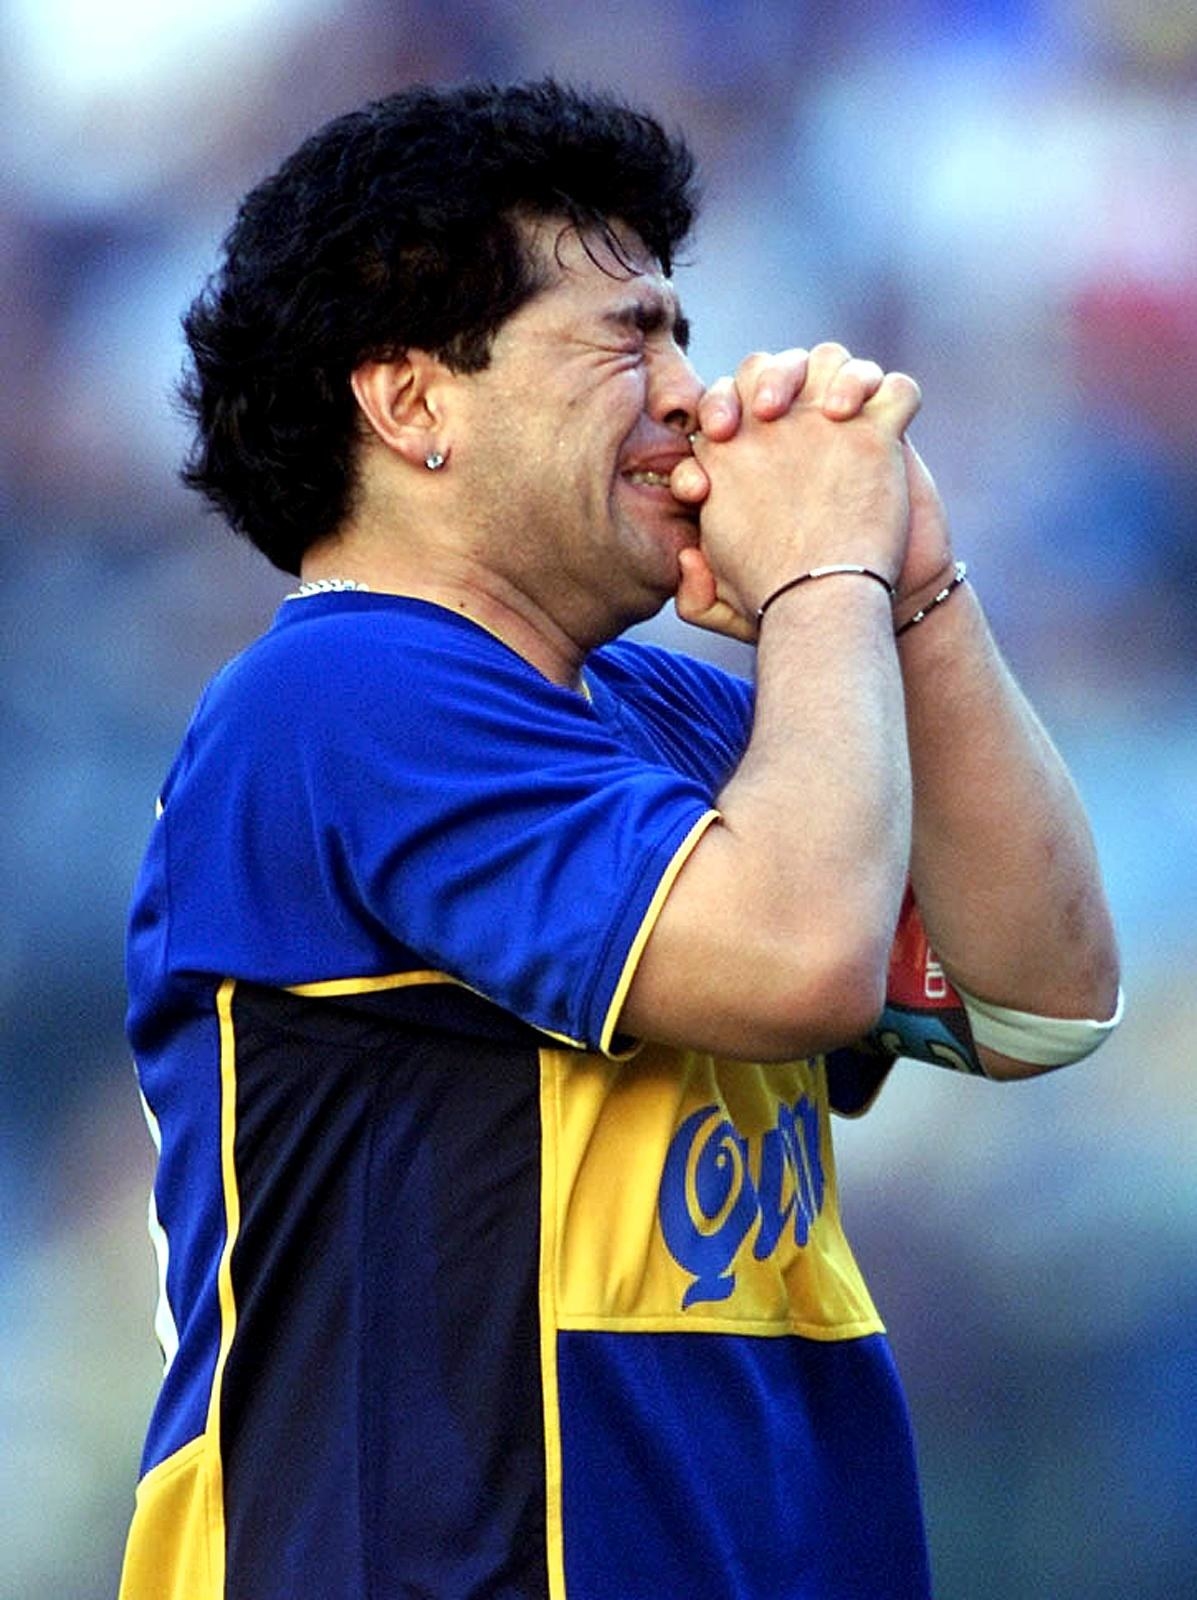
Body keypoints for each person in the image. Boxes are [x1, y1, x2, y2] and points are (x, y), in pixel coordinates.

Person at [118, 80, 1121, 1600]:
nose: (687, 393)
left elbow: (1036, 1004)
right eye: (624, 335)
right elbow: (797, 961)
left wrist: (912, 589)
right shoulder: (339, 694)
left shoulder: (666, 709)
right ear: (410, 403)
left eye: (679, 332)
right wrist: (818, 584)